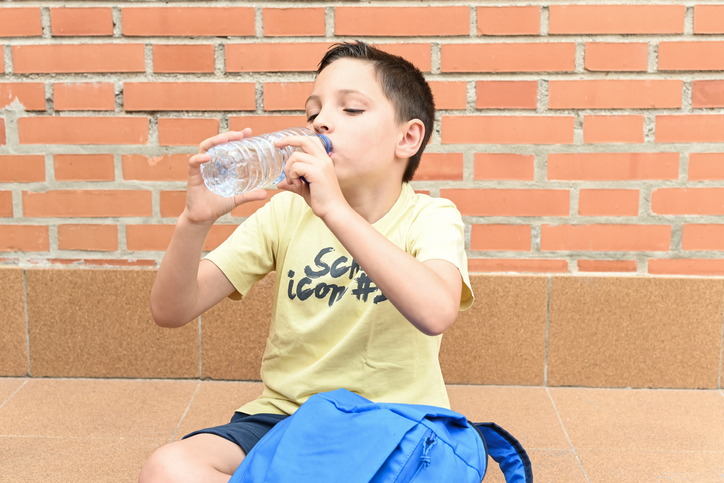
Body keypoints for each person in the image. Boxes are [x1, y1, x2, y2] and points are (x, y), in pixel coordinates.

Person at [139, 40, 474, 483]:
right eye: (313, 112)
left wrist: (334, 209)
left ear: (407, 137)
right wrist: (192, 222)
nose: (322, 122)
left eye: (351, 110)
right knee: (168, 467)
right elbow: (171, 310)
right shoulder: (285, 212)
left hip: (393, 422)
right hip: (286, 419)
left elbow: (436, 312)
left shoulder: (431, 218)